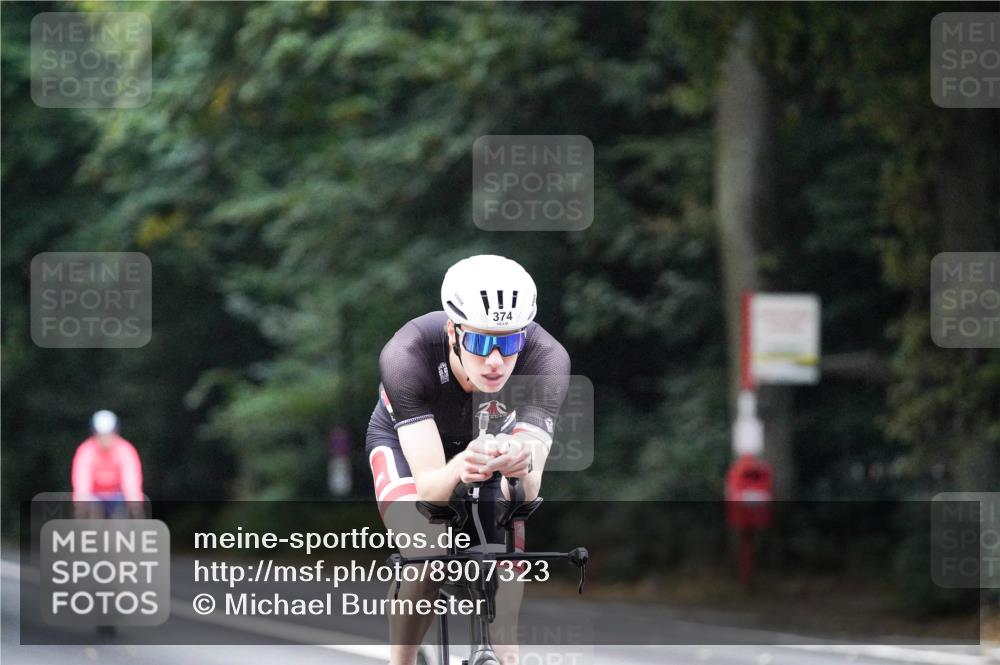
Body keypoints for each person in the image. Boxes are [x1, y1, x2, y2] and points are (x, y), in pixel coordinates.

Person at [366, 255, 570, 665]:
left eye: (510, 342)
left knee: (506, 571)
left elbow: (529, 488)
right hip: (411, 446)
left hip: (489, 442)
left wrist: (520, 462)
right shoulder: (406, 355)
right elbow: (429, 488)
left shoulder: (548, 360)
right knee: (427, 554)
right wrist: (460, 466)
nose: (495, 360)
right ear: (452, 332)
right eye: (480, 341)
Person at [72, 410, 144, 519]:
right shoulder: (86, 451)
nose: (105, 438)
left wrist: (135, 505)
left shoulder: (125, 450)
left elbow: (131, 481)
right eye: (101, 434)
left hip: (117, 497)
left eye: (108, 434)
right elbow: (82, 481)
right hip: (94, 497)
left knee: (121, 522)